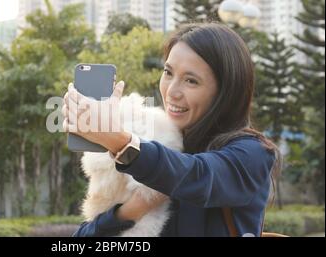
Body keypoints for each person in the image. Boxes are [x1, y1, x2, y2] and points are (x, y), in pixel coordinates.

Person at [61, 22, 282, 237]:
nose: (172, 91)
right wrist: (130, 211)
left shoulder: (252, 153)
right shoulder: (155, 144)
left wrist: (120, 142)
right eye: (168, 72)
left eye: (191, 81)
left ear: (224, 92)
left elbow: (197, 177)